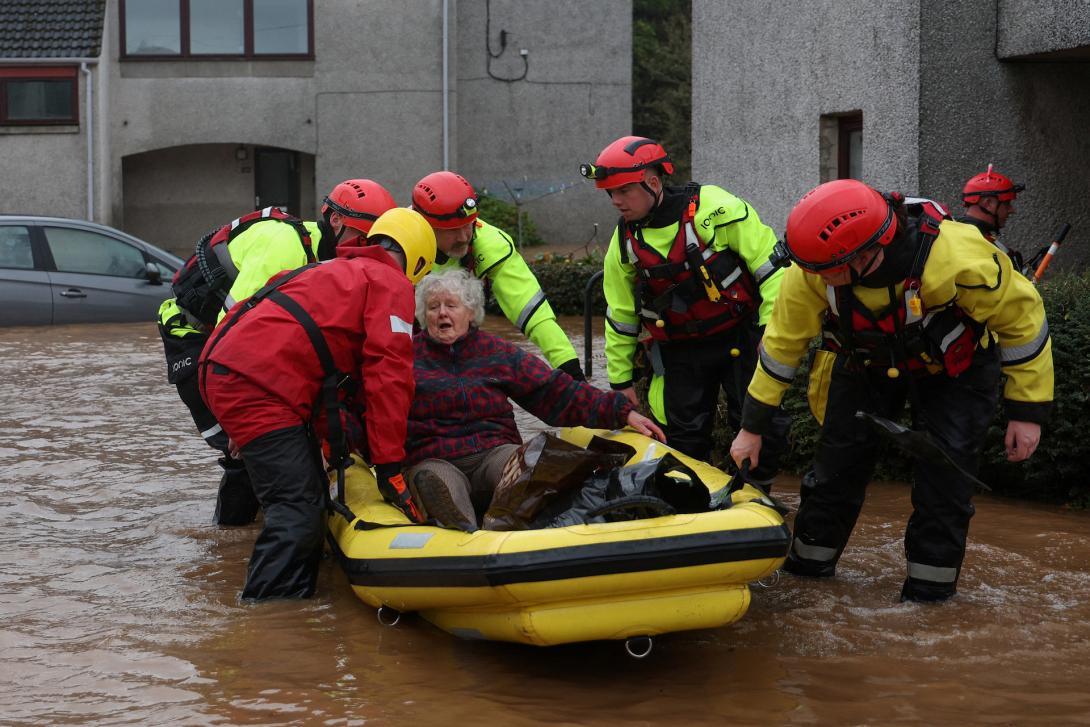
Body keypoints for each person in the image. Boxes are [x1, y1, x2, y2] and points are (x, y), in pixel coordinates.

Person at [730, 179, 1053, 602]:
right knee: (834, 470)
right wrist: (751, 427)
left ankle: (928, 599)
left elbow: (1022, 322)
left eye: (823, 269)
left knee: (944, 481)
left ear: (866, 253)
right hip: (864, 363)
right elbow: (780, 349)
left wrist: (1027, 412)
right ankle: (806, 574)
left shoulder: (957, 255)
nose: (812, 277)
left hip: (954, 373)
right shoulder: (811, 269)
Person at [197, 207, 436, 600]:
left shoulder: (329, 271)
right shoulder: (390, 283)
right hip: (255, 383)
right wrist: (391, 466)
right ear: (418, 262)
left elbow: (326, 382)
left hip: (227, 368)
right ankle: (272, 624)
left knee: (300, 494)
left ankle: (283, 607)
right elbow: (389, 378)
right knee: (298, 510)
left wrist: (335, 448)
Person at [157, 179, 396, 526]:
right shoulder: (284, 247)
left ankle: (265, 528)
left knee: (285, 441)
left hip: (233, 347)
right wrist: (240, 426)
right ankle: (228, 546)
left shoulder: (325, 261)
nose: (366, 250)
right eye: (361, 239)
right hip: (199, 342)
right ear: (337, 223)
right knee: (243, 453)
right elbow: (234, 330)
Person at [580, 135, 790, 481]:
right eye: (610, 193)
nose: (616, 201)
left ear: (651, 182)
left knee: (761, 427)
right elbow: (620, 316)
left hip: (740, 337)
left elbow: (773, 272)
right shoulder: (624, 244)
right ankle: (692, 509)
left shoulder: (714, 209)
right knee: (682, 439)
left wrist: (771, 335)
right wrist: (621, 383)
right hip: (680, 349)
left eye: (623, 191)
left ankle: (756, 499)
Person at [405, 269, 665, 531]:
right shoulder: (406, 358)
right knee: (438, 483)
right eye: (433, 307)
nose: (441, 313)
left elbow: (555, 390)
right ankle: (463, 536)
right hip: (435, 457)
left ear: (471, 313)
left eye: (451, 305)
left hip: (493, 451)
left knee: (527, 461)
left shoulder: (496, 352)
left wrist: (622, 412)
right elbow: (377, 404)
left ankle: (504, 529)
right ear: (423, 316)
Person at [410, 171, 585, 379]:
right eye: (455, 230)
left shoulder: (491, 245)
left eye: (470, 224)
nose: (465, 237)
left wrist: (570, 369)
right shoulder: (399, 247)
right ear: (426, 227)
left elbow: (532, 312)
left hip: (459, 347)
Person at [957, 164, 1026, 269]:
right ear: (988, 204)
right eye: (1007, 203)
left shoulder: (967, 236)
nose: (1012, 210)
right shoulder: (976, 244)